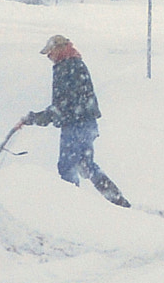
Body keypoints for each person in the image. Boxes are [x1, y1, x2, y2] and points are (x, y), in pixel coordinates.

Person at [22, 34, 129, 206]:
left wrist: (35, 118)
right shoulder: (76, 63)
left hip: (75, 125)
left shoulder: (65, 67)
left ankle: (73, 207)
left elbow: (61, 105)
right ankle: (117, 199)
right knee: (85, 164)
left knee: (67, 166)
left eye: (50, 53)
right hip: (88, 123)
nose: (49, 58)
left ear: (58, 49)